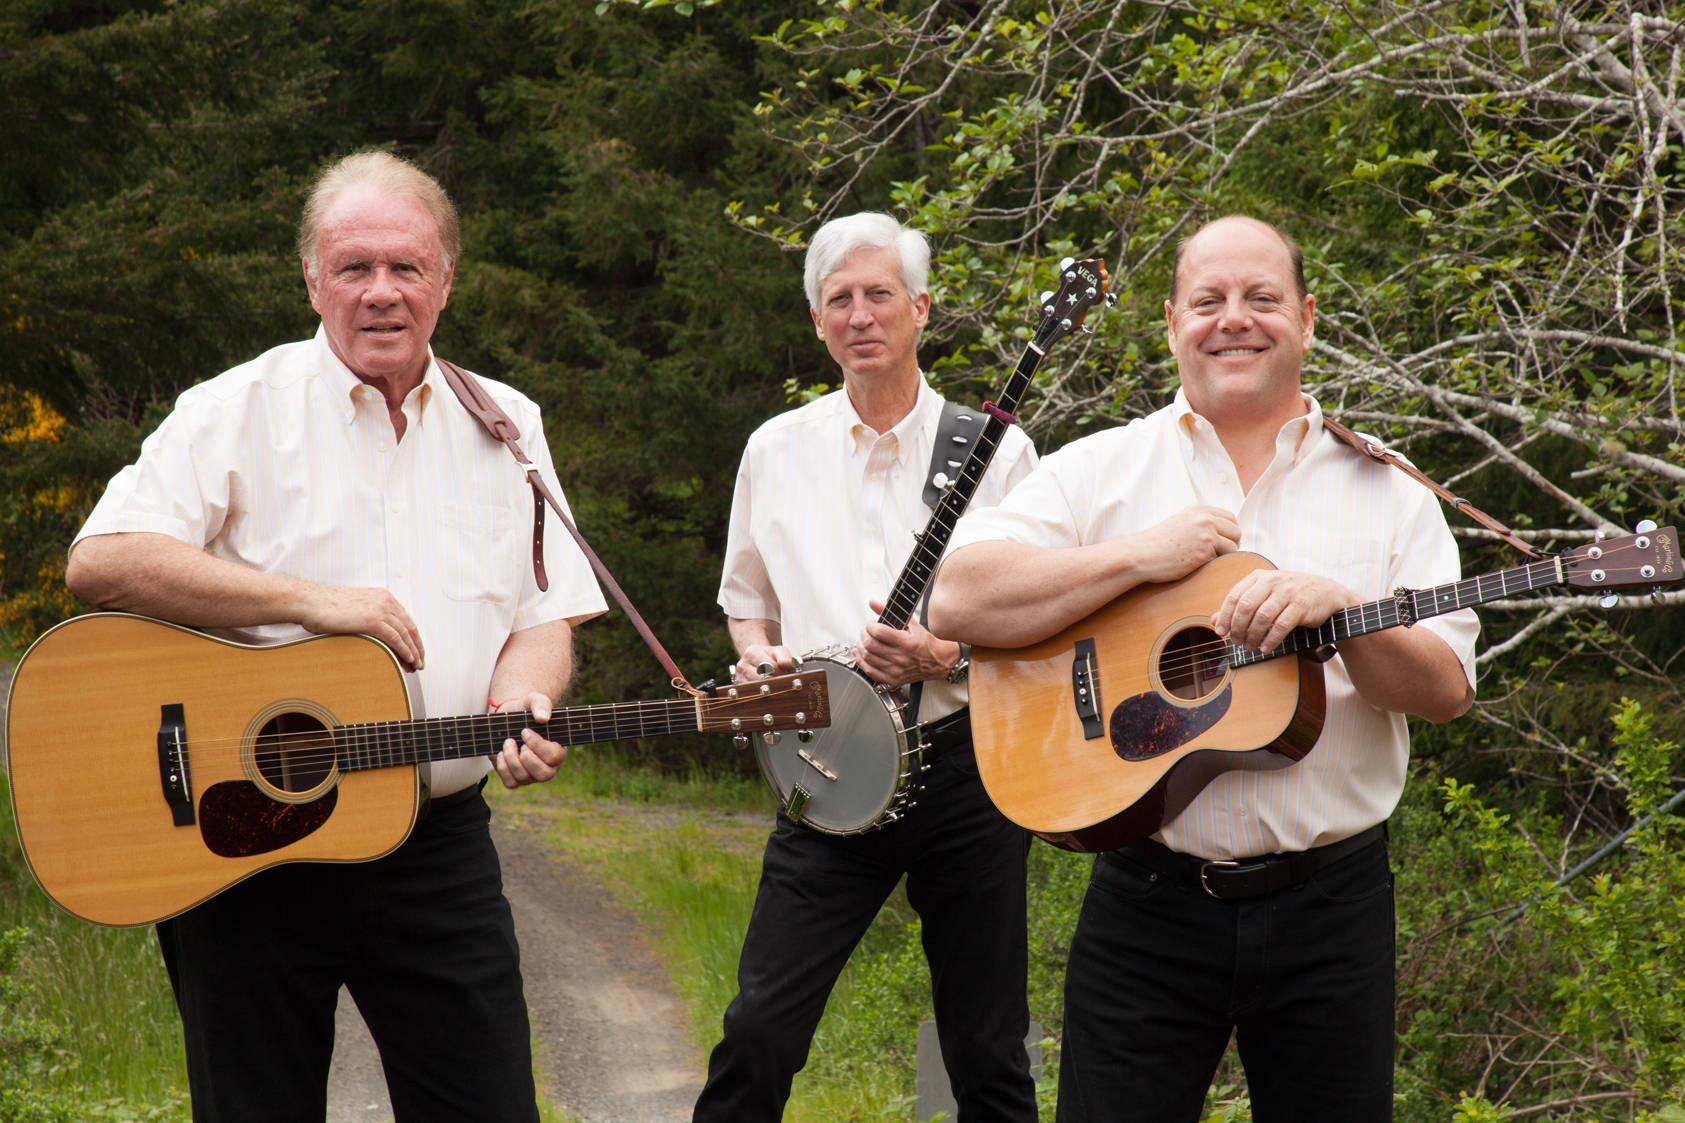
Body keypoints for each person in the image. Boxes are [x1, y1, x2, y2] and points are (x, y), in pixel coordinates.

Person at [64, 150, 608, 1122]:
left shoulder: (508, 426)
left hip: (436, 850)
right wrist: (314, 601)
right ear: (312, 277)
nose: (380, 293)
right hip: (242, 848)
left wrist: (522, 699)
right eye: (354, 267)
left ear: (446, 277)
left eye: (405, 267)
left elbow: (542, 616)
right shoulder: (237, 410)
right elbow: (101, 559)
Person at [928, 214, 1479, 1123]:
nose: (1234, 319)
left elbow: (1444, 690)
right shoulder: (1103, 469)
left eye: (1261, 298)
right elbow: (955, 599)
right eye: (1207, 300)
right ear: (1171, 322)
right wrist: (1138, 558)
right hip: (1146, 902)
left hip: (1330, 907)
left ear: (1304, 318)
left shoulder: (1388, 487)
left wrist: (1343, 615)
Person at [691, 211, 1040, 1121]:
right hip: (827, 759)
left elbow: (1043, 618)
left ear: (920, 309)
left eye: (878, 294)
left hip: (967, 767)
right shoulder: (774, 449)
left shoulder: (996, 451)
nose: (859, 316)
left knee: (986, 1043)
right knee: (761, 1025)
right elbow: (744, 596)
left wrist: (945, 651)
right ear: (815, 321)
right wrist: (755, 655)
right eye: (837, 299)